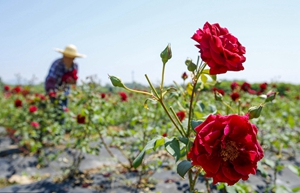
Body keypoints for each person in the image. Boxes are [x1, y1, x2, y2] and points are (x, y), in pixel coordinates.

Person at [45, 44, 86, 124]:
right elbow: (51, 79)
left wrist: (71, 81)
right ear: (63, 56)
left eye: (71, 57)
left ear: (73, 58)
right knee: (55, 112)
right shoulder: (57, 64)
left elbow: (74, 81)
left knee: (63, 113)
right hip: (54, 91)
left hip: (65, 92)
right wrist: (51, 92)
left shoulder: (75, 66)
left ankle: (61, 131)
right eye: (66, 56)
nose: (68, 59)